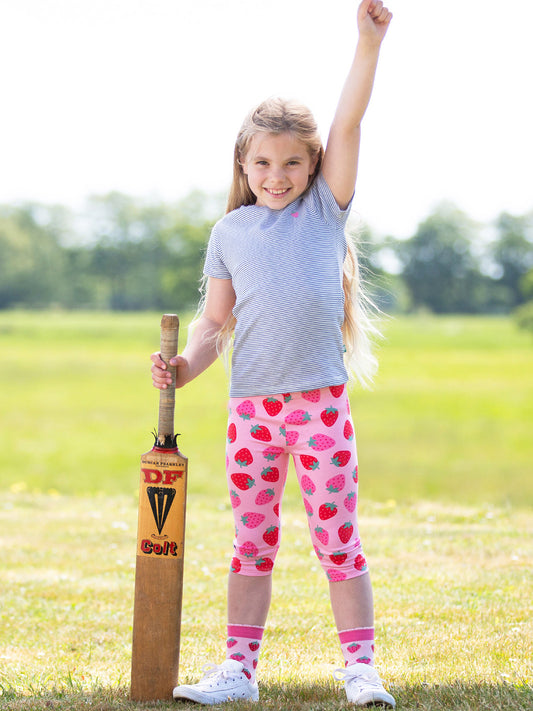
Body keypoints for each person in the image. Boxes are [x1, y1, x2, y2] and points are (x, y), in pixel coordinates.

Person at [151, 1, 394, 706]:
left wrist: (366, 45)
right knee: (250, 543)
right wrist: (184, 369)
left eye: (292, 162)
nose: (277, 174)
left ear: (313, 163)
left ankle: (359, 668)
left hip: (318, 403)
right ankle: (238, 669)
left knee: (336, 540)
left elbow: (347, 120)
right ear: (243, 162)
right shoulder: (229, 231)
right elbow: (210, 324)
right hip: (250, 409)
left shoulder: (325, 209)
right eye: (262, 162)